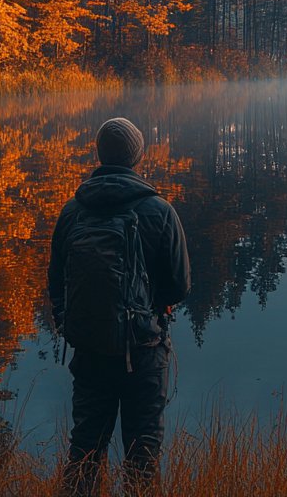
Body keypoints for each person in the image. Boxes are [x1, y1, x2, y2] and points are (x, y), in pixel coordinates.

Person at [48, 117, 191, 494]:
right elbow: (180, 285)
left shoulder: (72, 211)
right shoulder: (159, 211)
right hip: (143, 350)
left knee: (83, 453)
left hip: (90, 349)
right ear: (137, 157)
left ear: (99, 154)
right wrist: (153, 307)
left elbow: (56, 281)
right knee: (142, 456)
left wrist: (70, 323)